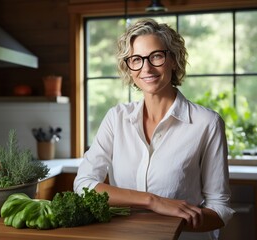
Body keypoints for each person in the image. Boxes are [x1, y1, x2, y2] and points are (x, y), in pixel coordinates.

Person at [73, 18, 234, 239]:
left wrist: (174, 223)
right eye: (136, 59)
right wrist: (152, 201)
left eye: (156, 56)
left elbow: (219, 208)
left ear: (174, 60)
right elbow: (84, 184)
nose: (146, 68)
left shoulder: (207, 123)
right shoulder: (116, 118)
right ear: (129, 68)